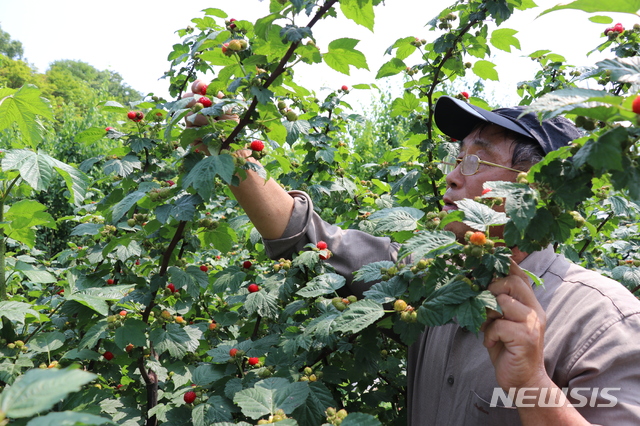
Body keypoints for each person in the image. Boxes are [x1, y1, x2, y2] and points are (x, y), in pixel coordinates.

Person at [186, 81, 640, 425]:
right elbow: (311, 241)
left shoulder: (602, 322)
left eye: (476, 161)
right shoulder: (430, 276)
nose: (452, 177)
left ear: (537, 186)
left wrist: (532, 386)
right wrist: (228, 148)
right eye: (456, 158)